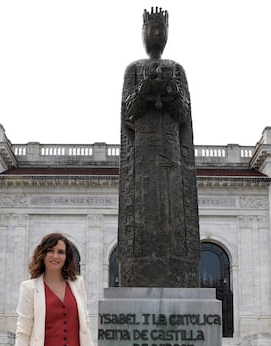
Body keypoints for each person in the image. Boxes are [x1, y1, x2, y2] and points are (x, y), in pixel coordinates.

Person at [117, 7, 200, 287]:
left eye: (160, 30)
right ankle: (138, 268)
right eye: (152, 30)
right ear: (144, 35)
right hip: (141, 152)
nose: (156, 34)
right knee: (142, 207)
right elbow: (127, 114)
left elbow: (185, 115)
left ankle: (178, 268)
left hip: (171, 150)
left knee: (172, 209)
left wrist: (171, 91)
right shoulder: (134, 70)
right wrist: (145, 89)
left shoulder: (177, 70)